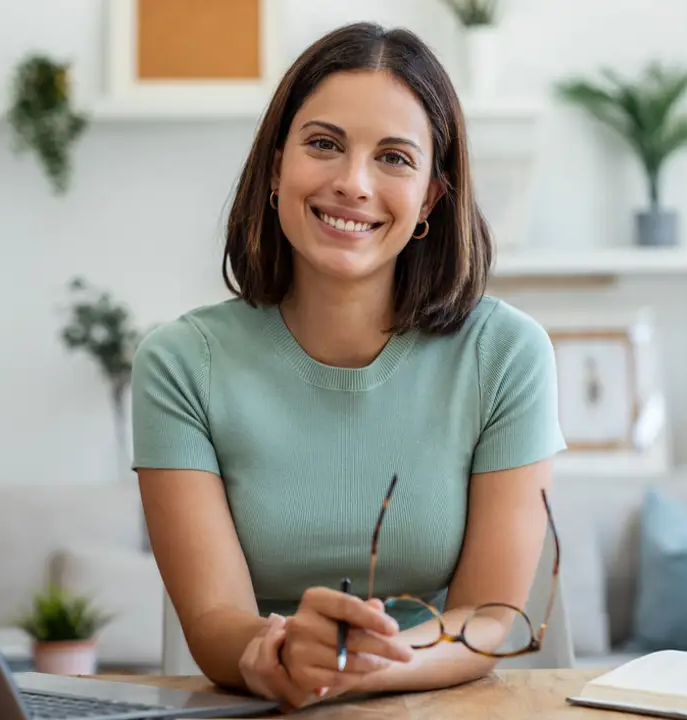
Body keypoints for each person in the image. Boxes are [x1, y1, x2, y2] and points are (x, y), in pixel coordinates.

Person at [130, 21, 565, 711]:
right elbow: (214, 626)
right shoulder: (181, 365)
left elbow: (490, 618)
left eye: (394, 157)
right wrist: (278, 656)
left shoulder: (506, 354)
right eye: (325, 144)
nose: (353, 183)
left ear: (429, 198)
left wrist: (355, 667)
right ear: (276, 167)